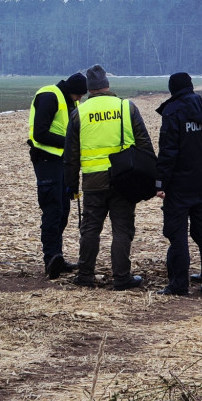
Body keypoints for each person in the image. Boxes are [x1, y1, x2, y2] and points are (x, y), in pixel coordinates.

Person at [63, 64, 154, 290]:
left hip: (93, 181)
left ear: (89, 89)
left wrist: (72, 187)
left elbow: (71, 156)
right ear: (107, 85)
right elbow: (145, 146)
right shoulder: (126, 107)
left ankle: (85, 276)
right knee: (122, 228)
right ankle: (122, 278)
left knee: (91, 228)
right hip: (124, 180)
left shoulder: (79, 113)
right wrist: (149, 180)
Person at [154, 72, 202, 298]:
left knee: (177, 235)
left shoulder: (172, 112)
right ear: (191, 87)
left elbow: (168, 153)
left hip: (179, 186)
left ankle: (178, 284)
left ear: (172, 90)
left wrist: (160, 183)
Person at [27, 71, 88, 279]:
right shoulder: (49, 96)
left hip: (62, 163)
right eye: (79, 95)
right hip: (46, 161)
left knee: (63, 210)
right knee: (52, 210)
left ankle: (58, 257)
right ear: (72, 91)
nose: (80, 99)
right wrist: (69, 143)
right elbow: (40, 133)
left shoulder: (72, 102)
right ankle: (50, 259)